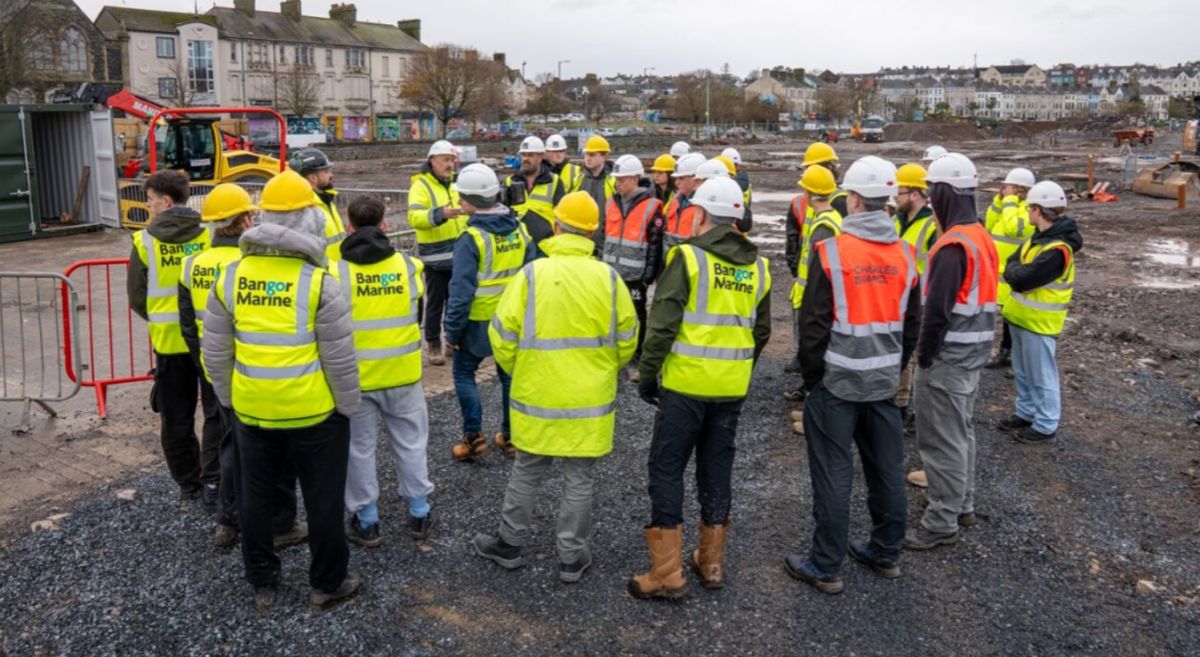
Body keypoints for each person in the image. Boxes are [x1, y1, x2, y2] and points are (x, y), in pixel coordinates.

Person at [202, 169, 362, 612]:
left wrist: (231, 399)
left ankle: (262, 582)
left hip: (253, 411)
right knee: (323, 500)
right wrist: (347, 408)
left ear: (263, 218)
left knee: (254, 497)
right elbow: (339, 360)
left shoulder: (231, 277)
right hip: (314, 413)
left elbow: (216, 353)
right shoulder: (319, 283)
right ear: (310, 219)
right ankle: (327, 583)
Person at [472, 192, 638, 583]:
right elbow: (628, 338)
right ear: (592, 233)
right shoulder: (609, 279)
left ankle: (510, 544)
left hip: (537, 394)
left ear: (557, 226)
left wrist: (521, 369)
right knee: (579, 478)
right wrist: (602, 370)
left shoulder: (532, 275)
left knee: (527, 470)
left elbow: (502, 334)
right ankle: (571, 557)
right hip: (589, 400)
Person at [629, 176, 771, 598]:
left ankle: (666, 573)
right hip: (730, 388)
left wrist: (647, 376)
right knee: (716, 467)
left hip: (685, 385)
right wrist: (737, 369)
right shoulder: (759, 267)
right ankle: (710, 562)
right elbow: (761, 331)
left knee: (667, 468)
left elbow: (662, 326)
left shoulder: (688, 258)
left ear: (703, 214)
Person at [784, 156, 921, 596]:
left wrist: (813, 381)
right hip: (882, 383)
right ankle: (886, 553)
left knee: (833, 472)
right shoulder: (906, 255)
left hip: (837, 383)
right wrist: (892, 367)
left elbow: (813, 327)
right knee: (886, 469)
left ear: (855, 200)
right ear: (889, 201)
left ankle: (826, 565)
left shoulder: (831, 253)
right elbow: (912, 326)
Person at [905, 154, 998, 550]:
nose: (930, 199)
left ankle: (942, 520)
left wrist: (923, 357)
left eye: (932, 191)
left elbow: (937, 314)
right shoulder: (980, 236)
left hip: (948, 358)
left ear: (943, 192)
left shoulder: (952, 246)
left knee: (941, 441)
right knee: (962, 433)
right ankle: (963, 505)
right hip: (973, 353)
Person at [333, 195, 436, 548]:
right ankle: (419, 511)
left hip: (357, 378)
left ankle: (367, 520)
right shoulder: (409, 267)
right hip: (402, 374)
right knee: (411, 443)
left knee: (359, 450)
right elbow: (416, 313)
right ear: (385, 225)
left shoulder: (335, 272)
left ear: (348, 228)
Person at [127, 170, 212, 503]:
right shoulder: (208, 234)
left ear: (165, 201)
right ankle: (216, 478)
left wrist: (161, 319)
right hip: (209, 339)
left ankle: (189, 483)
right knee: (217, 414)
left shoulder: (144, 241)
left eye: (149, 200)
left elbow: (137, 297)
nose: (148, 206)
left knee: (177, 416)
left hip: (170, 342)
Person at [179, 184, 256, 545]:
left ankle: (217, 495)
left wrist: (203, 363)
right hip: (250, 366)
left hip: (212, 362)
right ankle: (249, 513)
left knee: (220, 429)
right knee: (250, 442)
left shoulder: (192, 264)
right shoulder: (249, 264)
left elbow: (187, 324)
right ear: (245, 220)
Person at [444, 163, 536, 461]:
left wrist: (451, 332)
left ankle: (473, 438)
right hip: (512, 320)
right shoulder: (520, 230)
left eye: (462, 197)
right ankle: (511, 437)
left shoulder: (471, 238)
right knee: (508, 377)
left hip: (477, 323)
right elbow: (531, 276)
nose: (459, 201)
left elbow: (460, 293)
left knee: (464, 374)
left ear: (472, 200)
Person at [998, 181, 1081, 444]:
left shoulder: (1057, 250)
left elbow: (1023, 278)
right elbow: (1012, 263)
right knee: (1023, 371)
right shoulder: (1037, 239)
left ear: (1038, 210)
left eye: (1029, 208)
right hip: (1021, 318)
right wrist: (1015, 272)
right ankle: (1026, 412)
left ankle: (1046, 424)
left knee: (1041, 375)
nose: (1027, 212)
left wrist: (1014, 273)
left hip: (1039, 323)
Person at [784, 142, 848, 376]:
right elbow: (797, 240)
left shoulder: (837, 203)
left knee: (817, 336)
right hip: (806, 282)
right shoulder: (808, 204)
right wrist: (796, 270)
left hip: (818, 285)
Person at [602, 154, 666, 382]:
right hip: (611, 272)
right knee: (610, 314)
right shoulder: (611, 202)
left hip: (635, 275)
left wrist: (648, 275)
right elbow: (604, 235)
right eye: (616, 179)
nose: (617, 183)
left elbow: (655, 244)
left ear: (635, 178)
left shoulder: (651, 207)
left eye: (621, 179)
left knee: (637, 317)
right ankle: (613, 354)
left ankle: (635, 358)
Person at [408, 140, 467, 366]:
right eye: (445, 160)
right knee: (435, 304)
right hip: (435, 258)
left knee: (455, 302)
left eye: (452, 160)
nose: (449, 165)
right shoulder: (421, 186)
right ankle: (433, 343)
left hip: (457, 255)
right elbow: (415, 218)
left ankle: (452, 340)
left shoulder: (453, 185)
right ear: (432, 161)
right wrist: (439, 214)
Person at [893, 163, 940, 443]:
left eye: (899, 192)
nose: (894, 197)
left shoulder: (931, 226)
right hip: (895, 298)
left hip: (919, 302)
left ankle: (902, 408)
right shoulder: (896, 221)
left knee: (909, 356)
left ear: (914, 195)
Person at [986, 168, 1036, 369]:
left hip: (1013, 272)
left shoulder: (1028, 208)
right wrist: (999, 201)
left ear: (1019, 188)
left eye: (1008, 186)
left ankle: (1010, 354)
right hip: (998, 272)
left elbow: (1014, 228)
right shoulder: (1009, 205)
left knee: (1012, 317)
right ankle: (1006, 352)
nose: (1004, 189)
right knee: (1006, 315)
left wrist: (1008, 201)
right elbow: (989, 224)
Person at [501, 136, 565, 249]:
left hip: (545, 247)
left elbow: (562, 217)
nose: (526, 159)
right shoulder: (509, 181)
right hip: (517, 246)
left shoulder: (554, 181)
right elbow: (503, 218)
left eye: (530, 155)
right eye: (523, 155)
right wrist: (509, 243)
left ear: (541, 157)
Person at [289, 148, 347, 263]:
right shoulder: (306, 207)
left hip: (336, 268)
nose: (331, 175)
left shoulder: (325, 200)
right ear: (313, 178)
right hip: (321, 270)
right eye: (326, 172)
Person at [662, 153, 706, 252]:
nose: (676, 182)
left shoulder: (706, 207)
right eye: (676, 178)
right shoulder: (674, 203)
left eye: (681, 178)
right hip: (672, 257)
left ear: (696, 179)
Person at [580, 135, 617, 254]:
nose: (588, 158)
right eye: (586, 154)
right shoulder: (578, 180)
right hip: (581, 244)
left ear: (604, 156)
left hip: (605, 246)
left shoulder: (613, 182)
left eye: (592, 155)